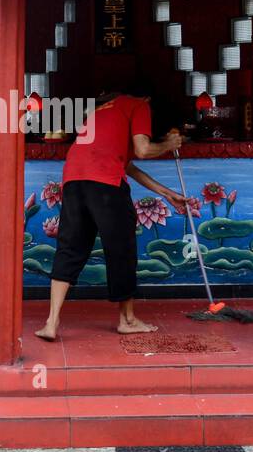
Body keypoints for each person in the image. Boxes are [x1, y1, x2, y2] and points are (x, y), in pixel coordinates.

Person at [36, 87, 186, 342]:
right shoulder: (139, 103)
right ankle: (127, 320)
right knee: (121, 249)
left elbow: (126, 164)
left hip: (74, 181)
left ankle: (51, 322)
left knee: (70, 248)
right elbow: (142, 149)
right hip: (105, 184)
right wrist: (169, 143)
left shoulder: (102, 111)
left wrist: (166, 192)